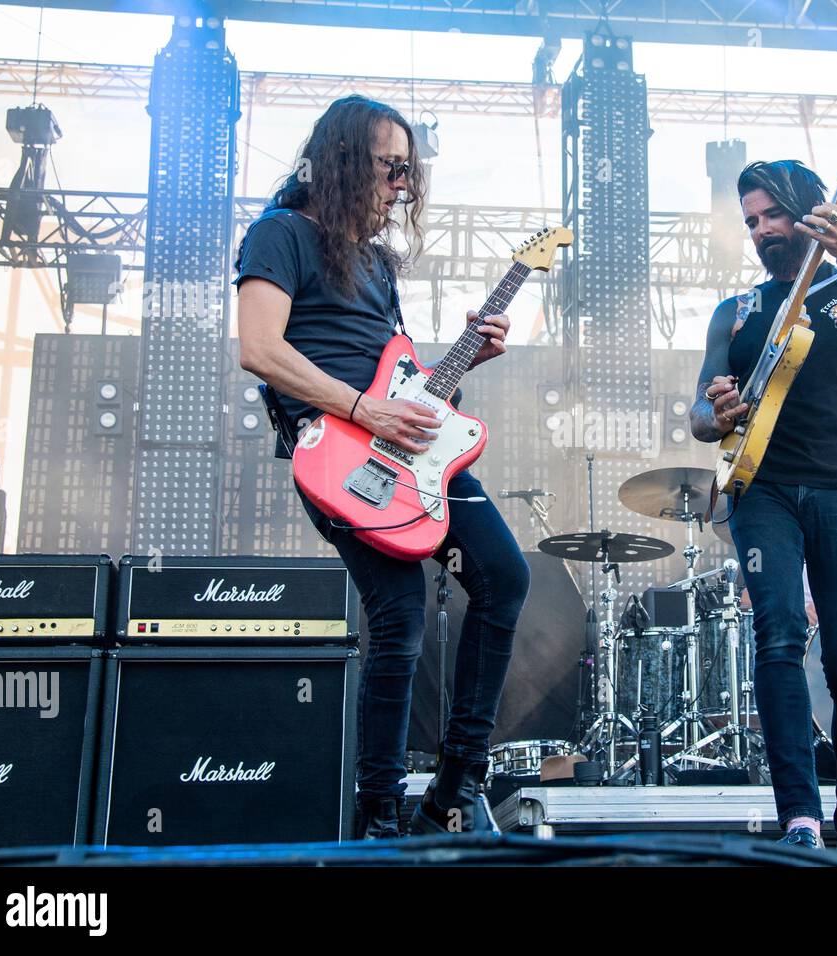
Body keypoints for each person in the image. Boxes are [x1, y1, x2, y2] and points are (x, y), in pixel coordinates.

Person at [235, 95, 529, 838]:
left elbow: (405, 388)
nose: (401, 185)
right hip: (337, 452)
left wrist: (460, 367)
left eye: (408, 171)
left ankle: (457, 787)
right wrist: (363, 414)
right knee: (398, 613)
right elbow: (260, 350)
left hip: (403, 449)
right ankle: (379, 816)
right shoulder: (279, 234)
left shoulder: (376, 264)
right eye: (390, 167)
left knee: (504, 577)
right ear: (341, 161)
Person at [690, 160, 837, 853]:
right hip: (763, 488)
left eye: (771, 215)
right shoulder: (738, 311)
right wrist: (716, 411)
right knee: (778, 637)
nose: (760, 231)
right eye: (751, 221)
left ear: (807, 209)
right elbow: (698, 412)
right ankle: (800, 821)